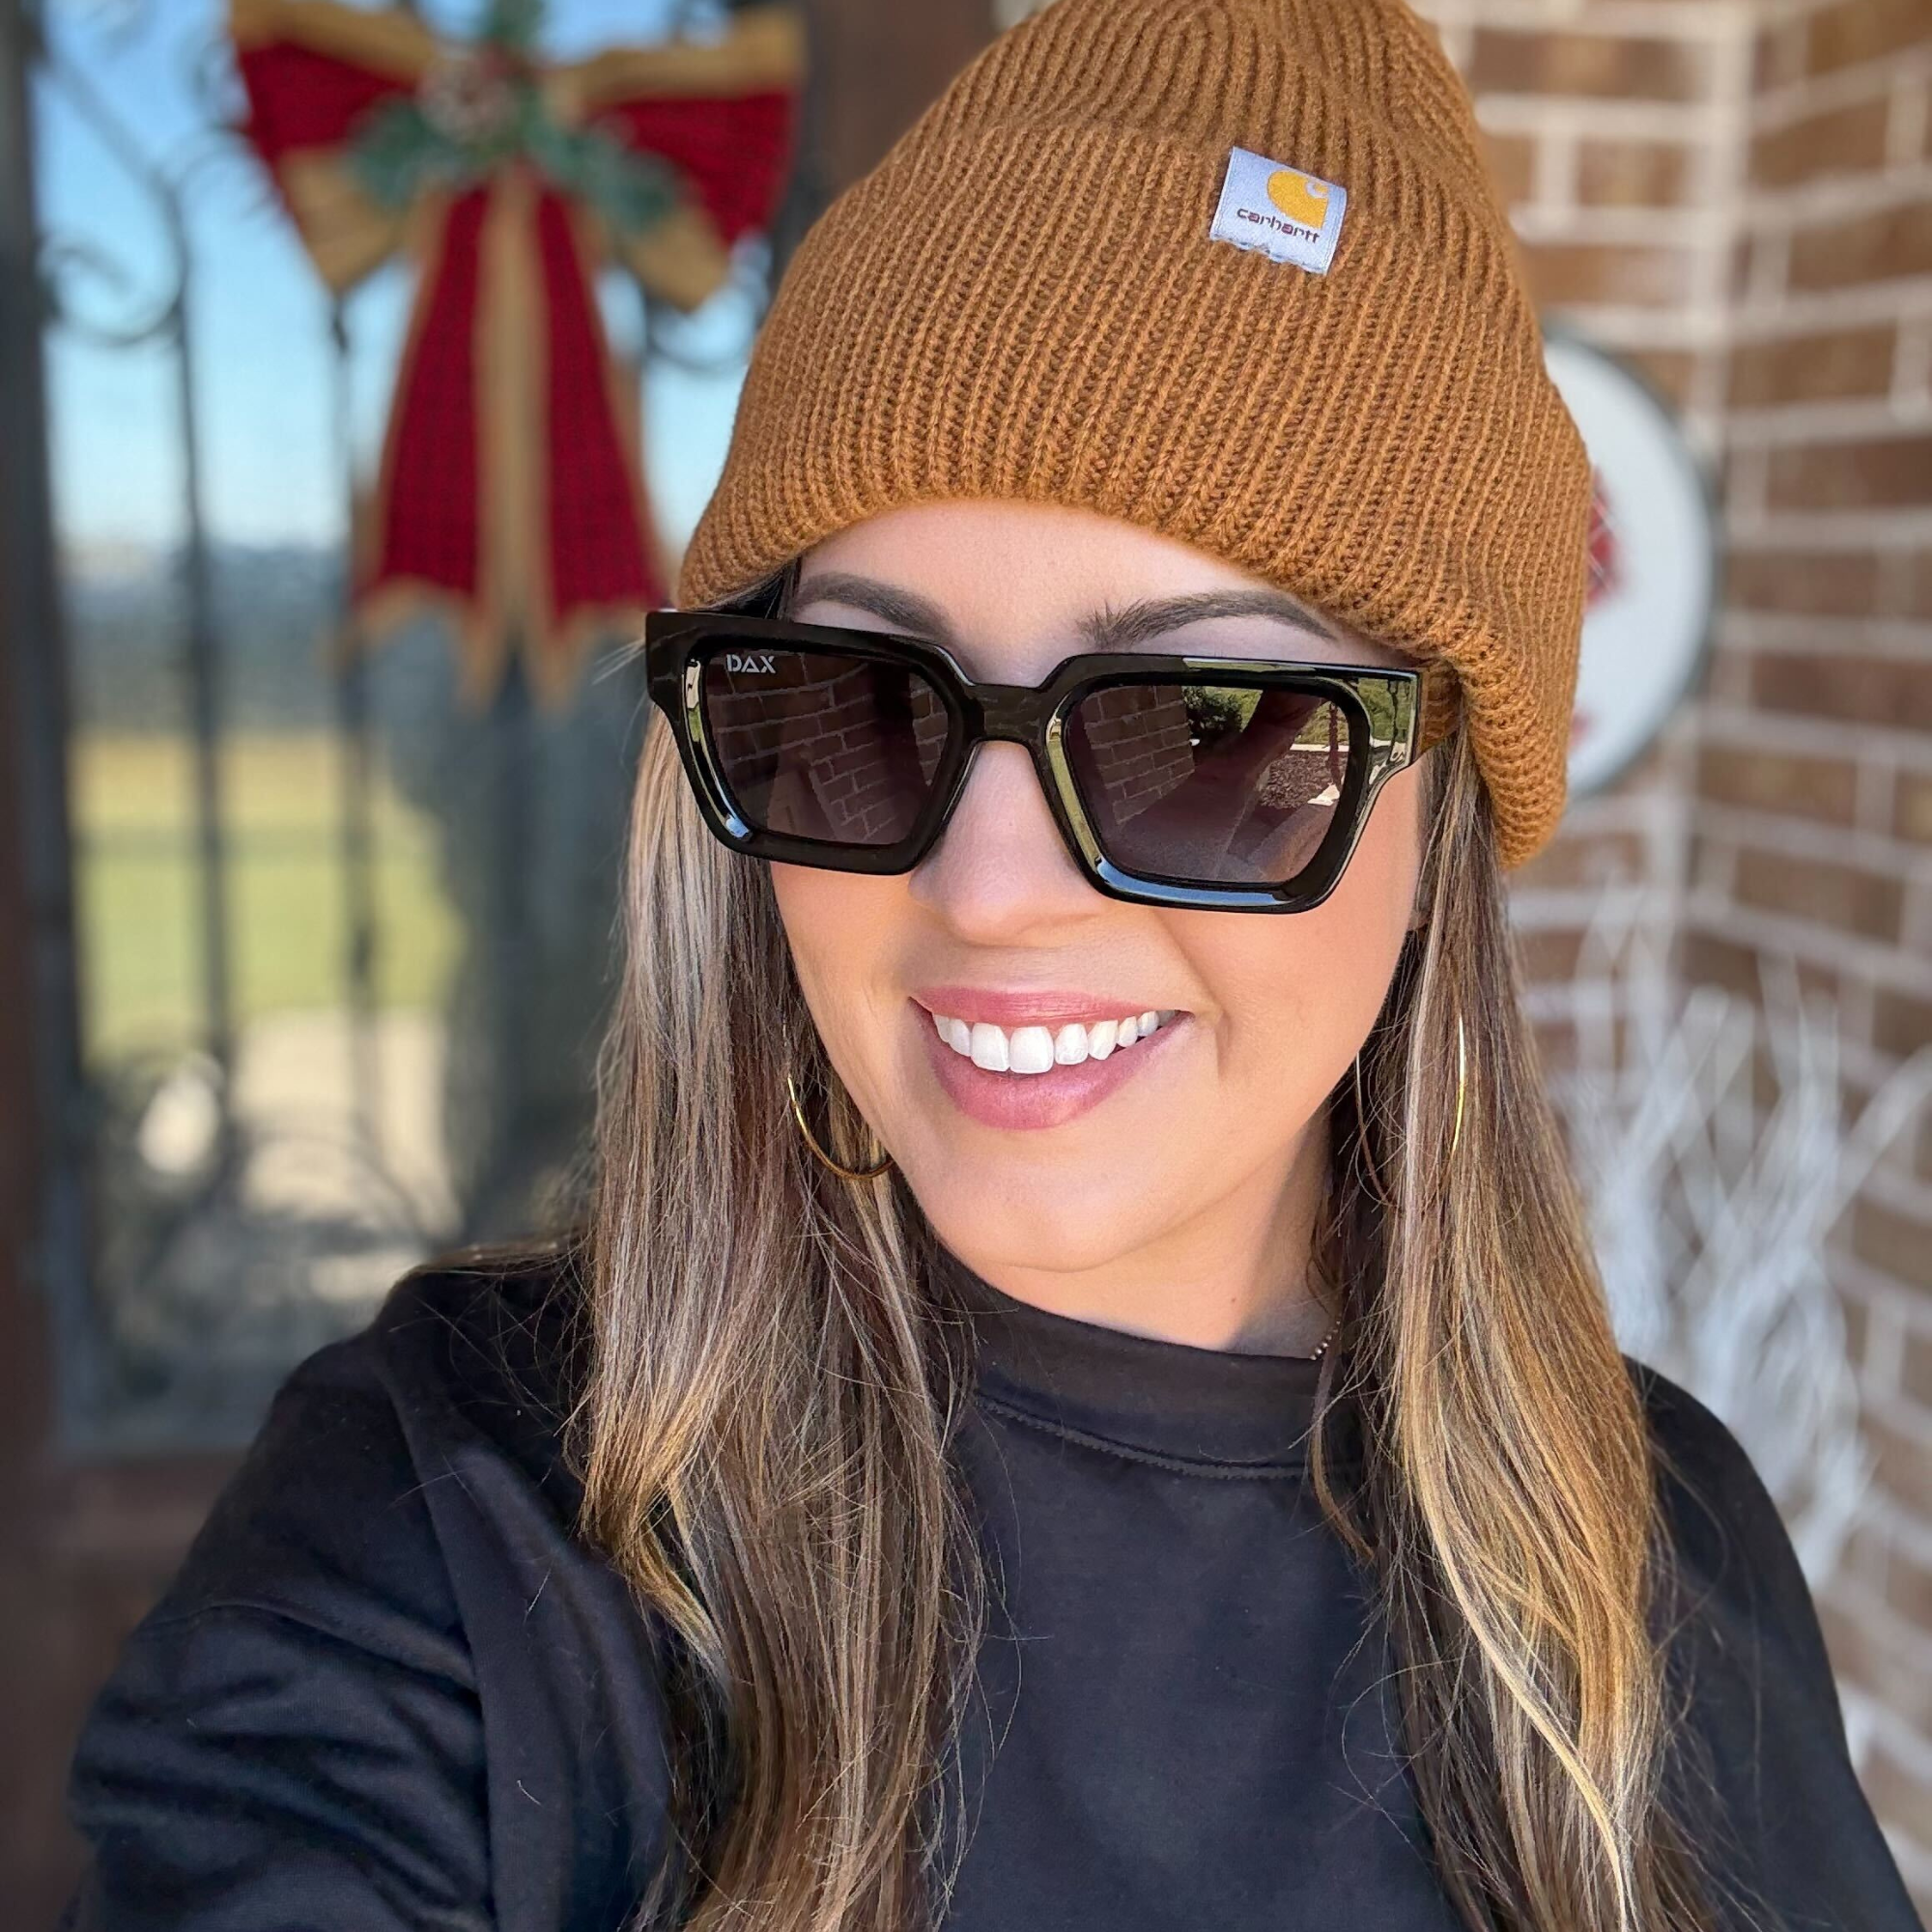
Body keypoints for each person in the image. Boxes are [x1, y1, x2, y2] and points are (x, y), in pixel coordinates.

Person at [61, 2, 1922, 1929]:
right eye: (859, 702)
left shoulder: (1661, 1554)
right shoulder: (457, 1526)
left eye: (1204, 730)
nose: (990, 884)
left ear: (1439, 794)